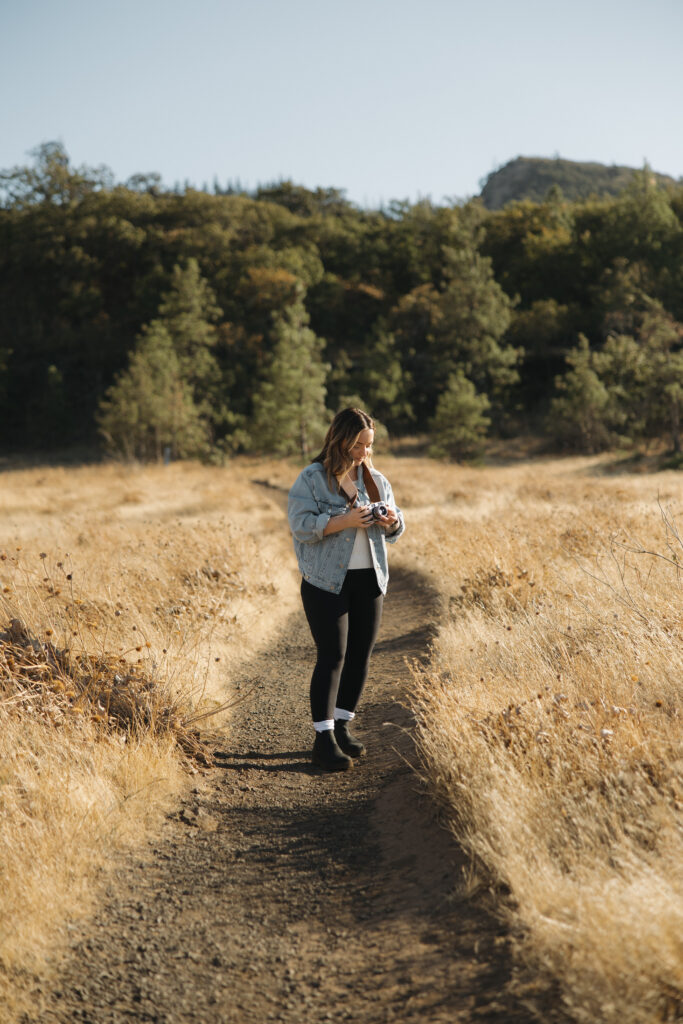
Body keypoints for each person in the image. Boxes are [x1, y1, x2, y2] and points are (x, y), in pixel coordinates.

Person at [287, 407, 405, 771]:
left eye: (369, 446)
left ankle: (342, 727)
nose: (364, 453)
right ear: (340, 440)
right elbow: (301, 526)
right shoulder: (311, 478)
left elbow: (397, 529)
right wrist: (344, 520)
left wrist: (392, 520)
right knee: (332, 656)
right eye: (358, 446)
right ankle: (323, 741)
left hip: (370, 579)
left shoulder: (376, 480)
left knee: (359, 656)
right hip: (325, 581)